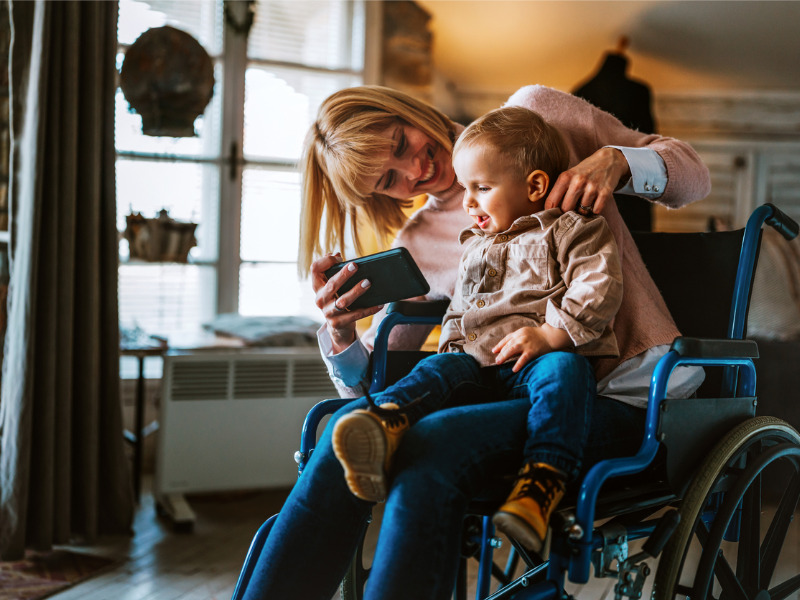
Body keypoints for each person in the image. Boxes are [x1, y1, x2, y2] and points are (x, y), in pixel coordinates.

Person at [240, 84, 710, 600]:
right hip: (509, 395)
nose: (414, 172)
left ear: (408, 110)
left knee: (434, 447)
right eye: (390, 181)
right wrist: (341, 328)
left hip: (621, 391)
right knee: (345, 431)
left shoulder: (534, 117)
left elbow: (693, 176)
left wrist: (616, 162)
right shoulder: (418, 243)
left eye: (401, 143)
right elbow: (373, 382)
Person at [330, 105, 623, 554]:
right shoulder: (471, 246)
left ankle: (538, 487)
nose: (467, 203)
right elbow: (457, 315)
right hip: (475, 366)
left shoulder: (570, 227)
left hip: (536, 361)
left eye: (481, 188)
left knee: (566, 371)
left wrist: (550, 336)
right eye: (466, 188)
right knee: (438, 368)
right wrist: (342, 330)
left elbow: (598, 285)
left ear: (535, 186)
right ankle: (384, 420)